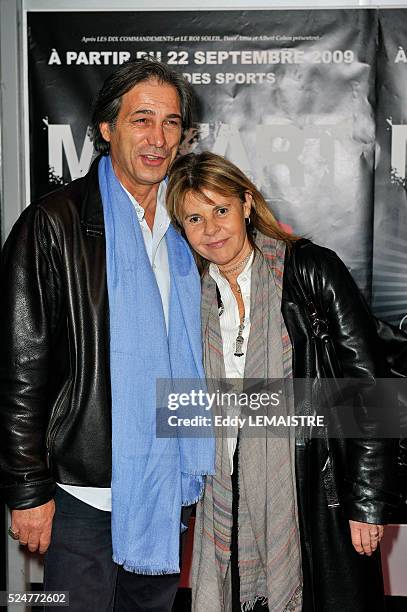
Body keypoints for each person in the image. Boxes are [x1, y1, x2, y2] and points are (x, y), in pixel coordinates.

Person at [0, 60, 214, 612]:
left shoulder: (189, 225)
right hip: (81, 488)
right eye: (142, 120)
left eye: (171, 123)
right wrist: (30, 490)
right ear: (105, 128)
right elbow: (20, 369)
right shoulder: (53, 223)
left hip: (167, 484)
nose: (158, 138)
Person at [166, 151, 398, 612]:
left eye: (221, 210)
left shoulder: (309, 271)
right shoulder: (190, 297)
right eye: (195, 217)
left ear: (247, 204)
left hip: (314, 493)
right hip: (224, 497)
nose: (211, 229)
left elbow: (370, 390)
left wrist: (365, 503)